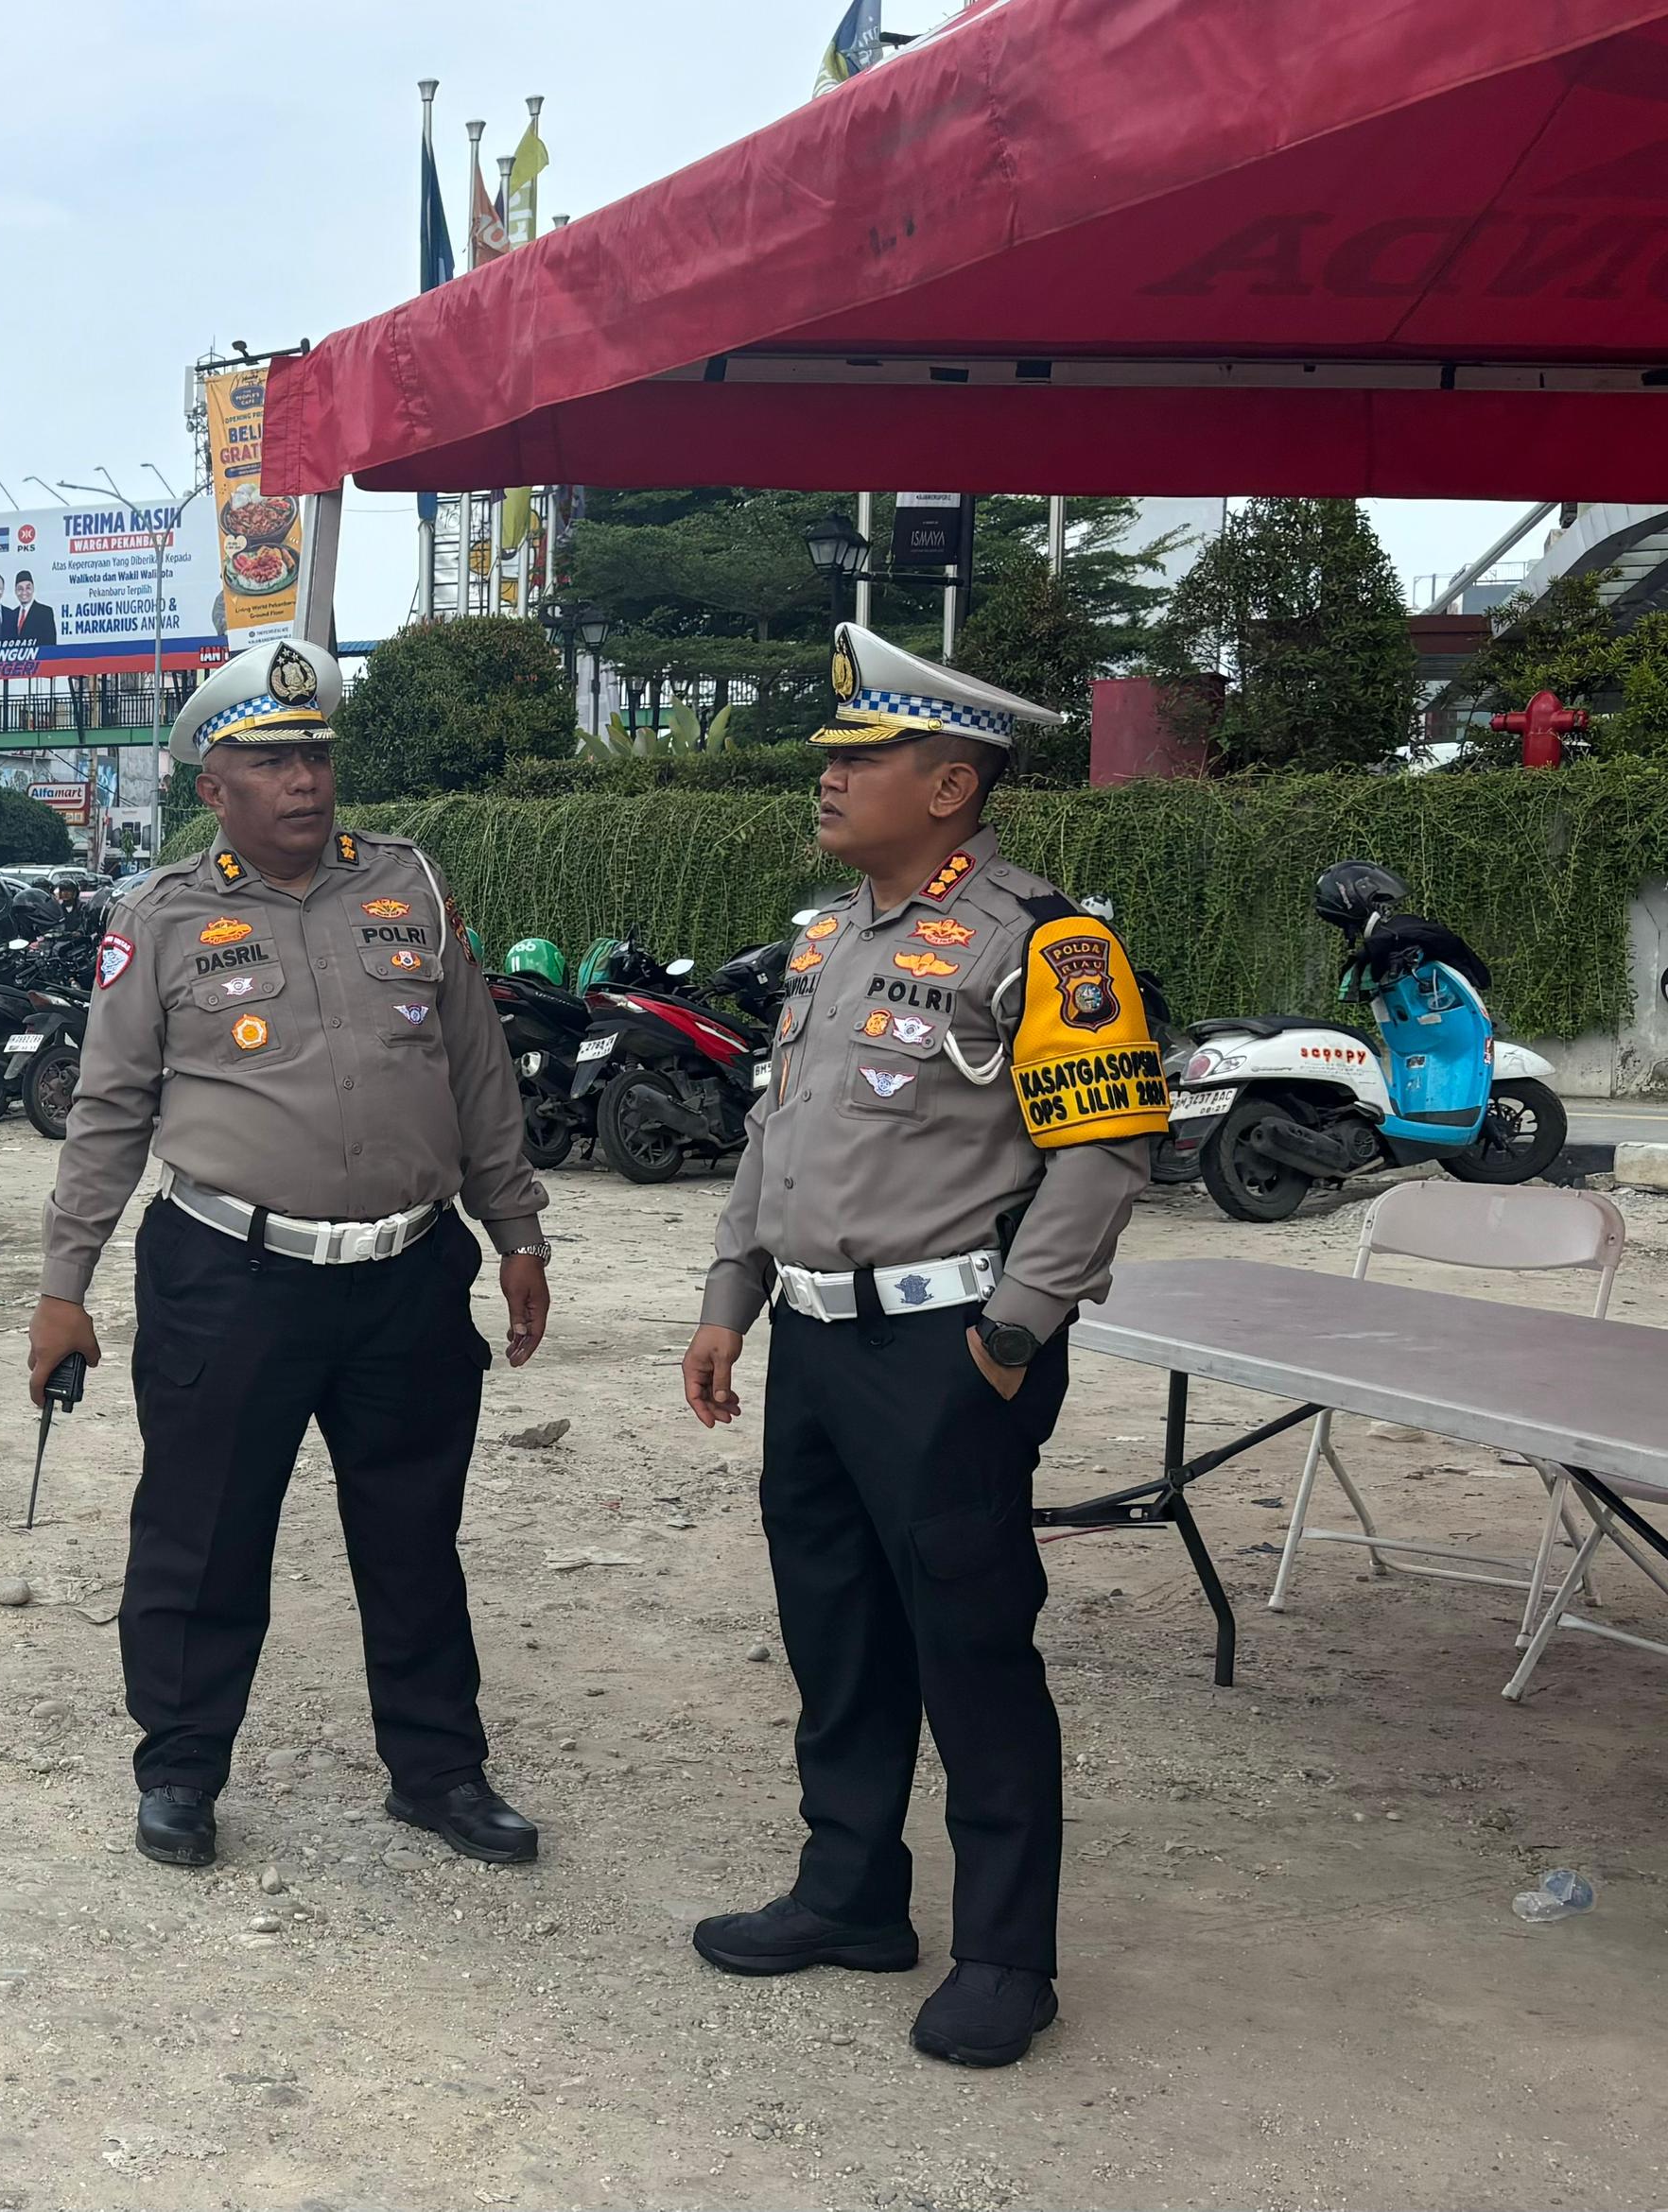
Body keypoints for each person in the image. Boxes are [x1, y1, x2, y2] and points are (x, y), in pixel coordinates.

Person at [679, 623, 1168, 2073]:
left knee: (970, 1645)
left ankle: (1008, 1957)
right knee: (835, 1633)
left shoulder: (1046, 943)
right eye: (835, 758)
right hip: (819, 1350)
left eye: (864, 756)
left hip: (954, 1345)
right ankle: (851, 1895)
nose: (830, 781)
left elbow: (1104, 1152)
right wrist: (729, 1296)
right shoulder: (828, 941)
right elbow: (780, 1134)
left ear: (951, 784)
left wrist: (1015, 1335)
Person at [32, 639, 555, 1877]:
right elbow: (109, 1112)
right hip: (230, 1275)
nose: (304, 779)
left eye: (315, 752)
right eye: (271, 760)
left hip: (408, 1274)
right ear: (214, 785)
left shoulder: (410, 886)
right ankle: (180, 1772)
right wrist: (65, 1289)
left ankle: (438, 1773)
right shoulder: (159, 918)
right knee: (202, 1535)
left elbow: (474, 1072)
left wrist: (516, 1230)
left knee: (414, 1533)